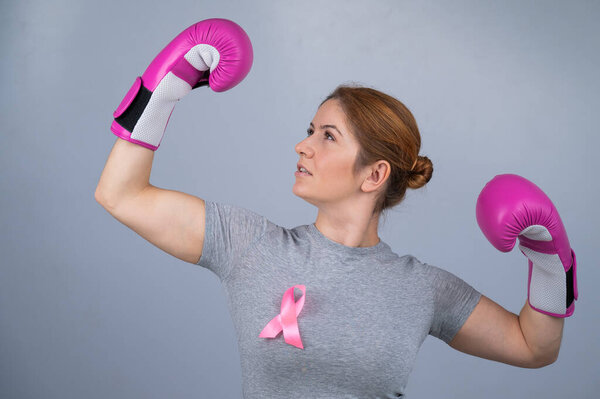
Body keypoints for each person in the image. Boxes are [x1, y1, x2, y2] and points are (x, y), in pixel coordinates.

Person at [95, 19, 574, 399]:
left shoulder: (422, 288)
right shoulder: (249, 245)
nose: (302, 146)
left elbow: (534, 348)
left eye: (327, 136)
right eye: (311, 129)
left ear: (373, 175)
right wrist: (162, 89)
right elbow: (122, 194)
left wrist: (552, 263)